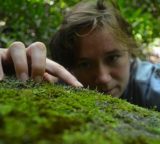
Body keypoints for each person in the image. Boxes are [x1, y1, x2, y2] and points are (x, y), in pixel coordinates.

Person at [0, 0, 160, 110]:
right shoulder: (63, 80)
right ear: (71, 67)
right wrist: (11, 69)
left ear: (130, 50)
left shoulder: (150, 85)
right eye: (85, 64)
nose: (103, 78)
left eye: (113, 58)